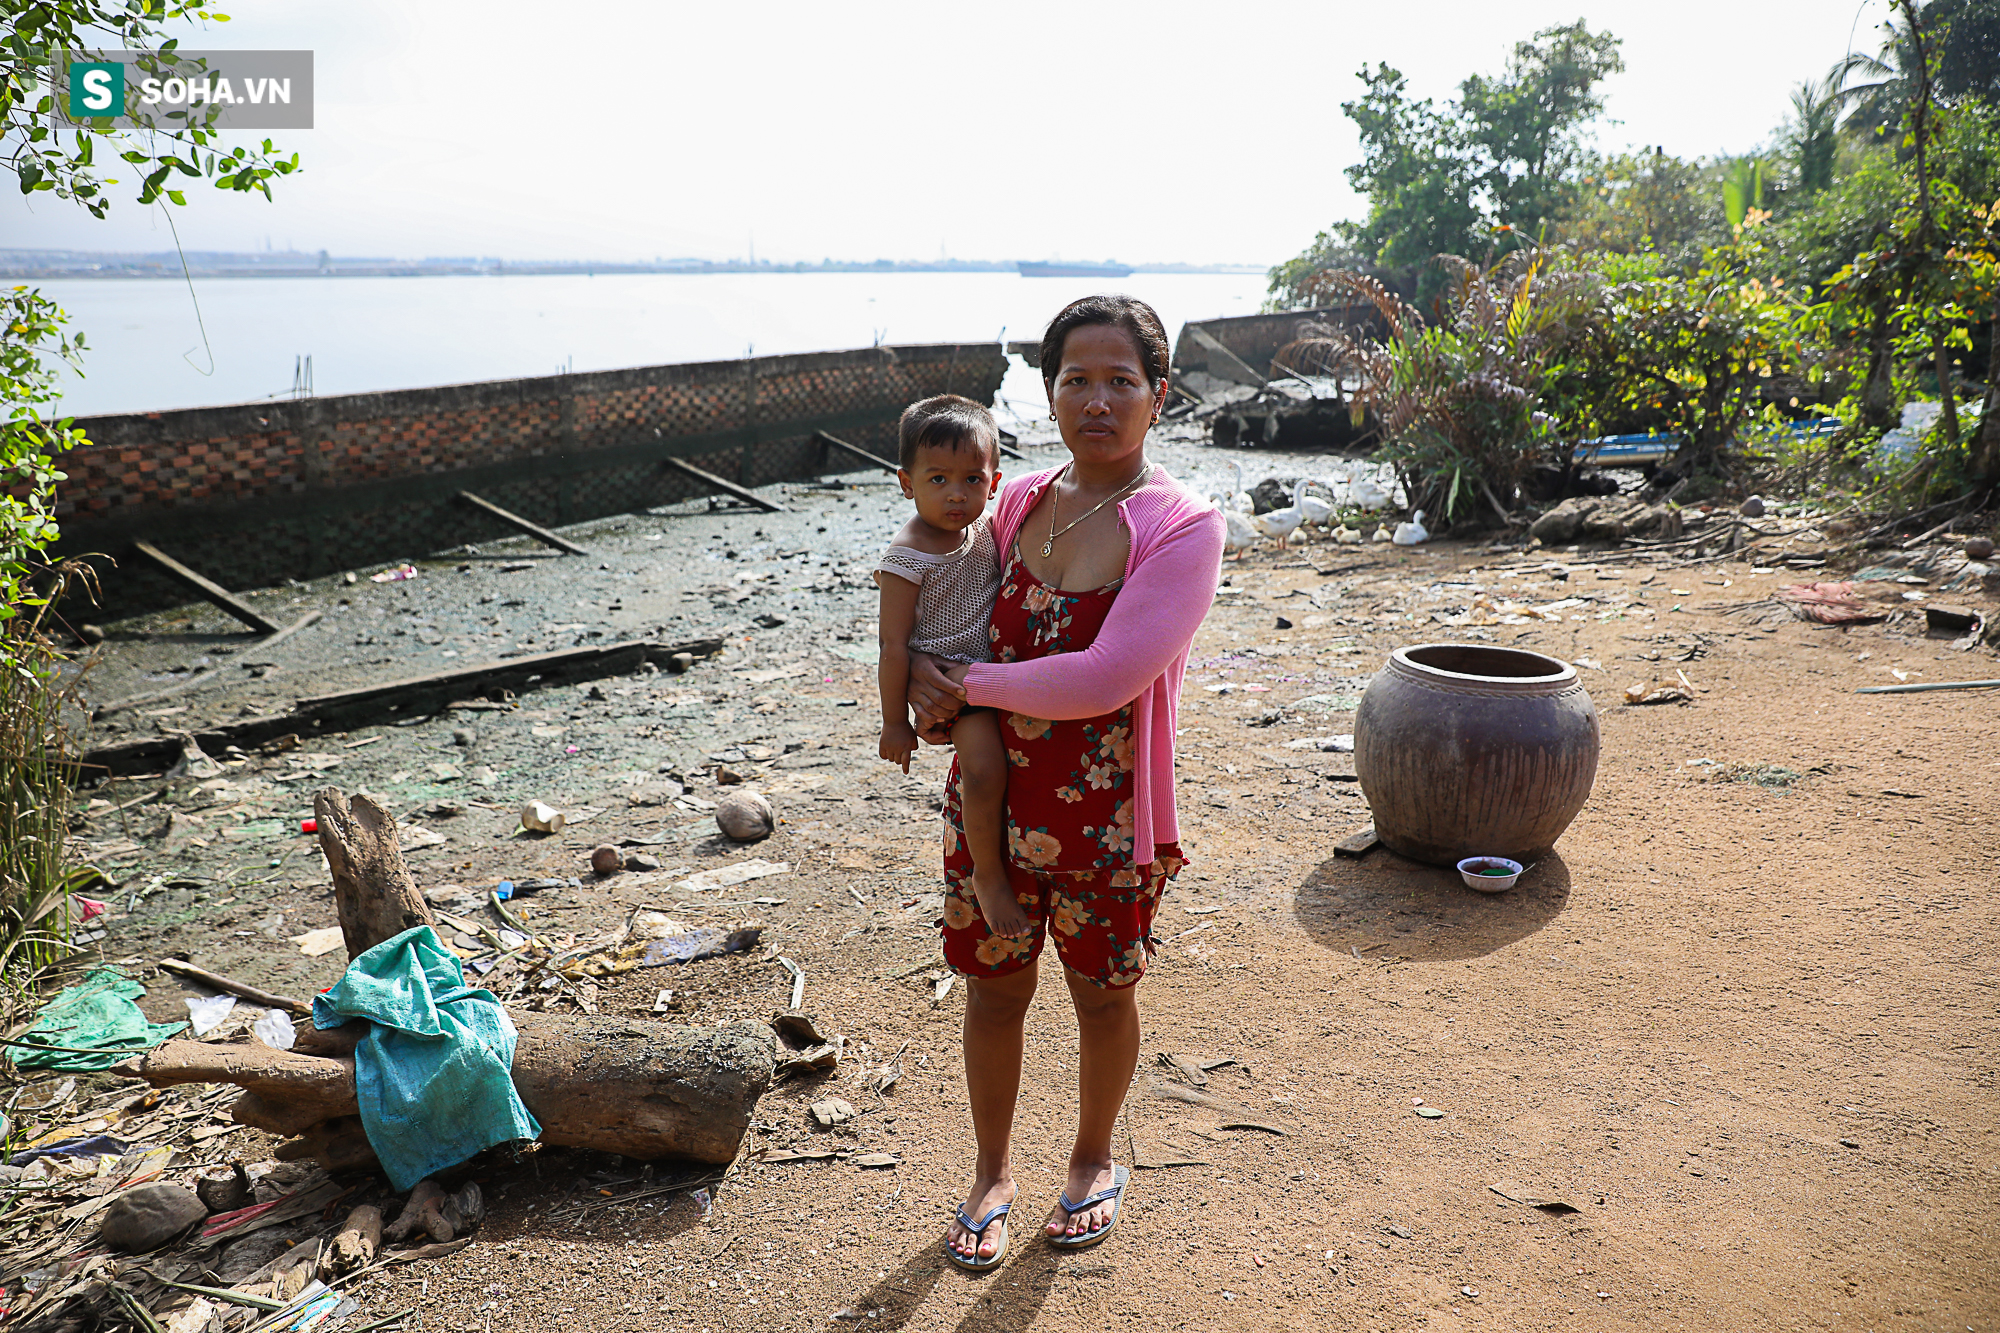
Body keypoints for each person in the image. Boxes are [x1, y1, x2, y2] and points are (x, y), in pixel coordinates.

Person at [907, 296, 1224, 1270]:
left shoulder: (1179, 525)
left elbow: (1105, 677)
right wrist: (916, 677)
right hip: (991, 808)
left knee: (1099, 997)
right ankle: (990, 1173)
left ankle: (1090, 1159)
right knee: (993, 990)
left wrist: (966, 685)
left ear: (1157, 396)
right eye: (1074, 379)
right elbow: (944, 605)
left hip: (1108, 815)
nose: (1095, 398)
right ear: (1045, 393)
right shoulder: (1009, 501)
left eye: (1118, 380)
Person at [873, 395, 1025, 940]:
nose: (956, 495)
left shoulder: (985, 529)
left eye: (972, 480)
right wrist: (895, 722)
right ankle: (987, 875)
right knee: (983, 771)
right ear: (905, 482)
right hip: (954, 685)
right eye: (937, 480)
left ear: (995, 480)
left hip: (999, 674)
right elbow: (892, 647)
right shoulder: (907, 557)